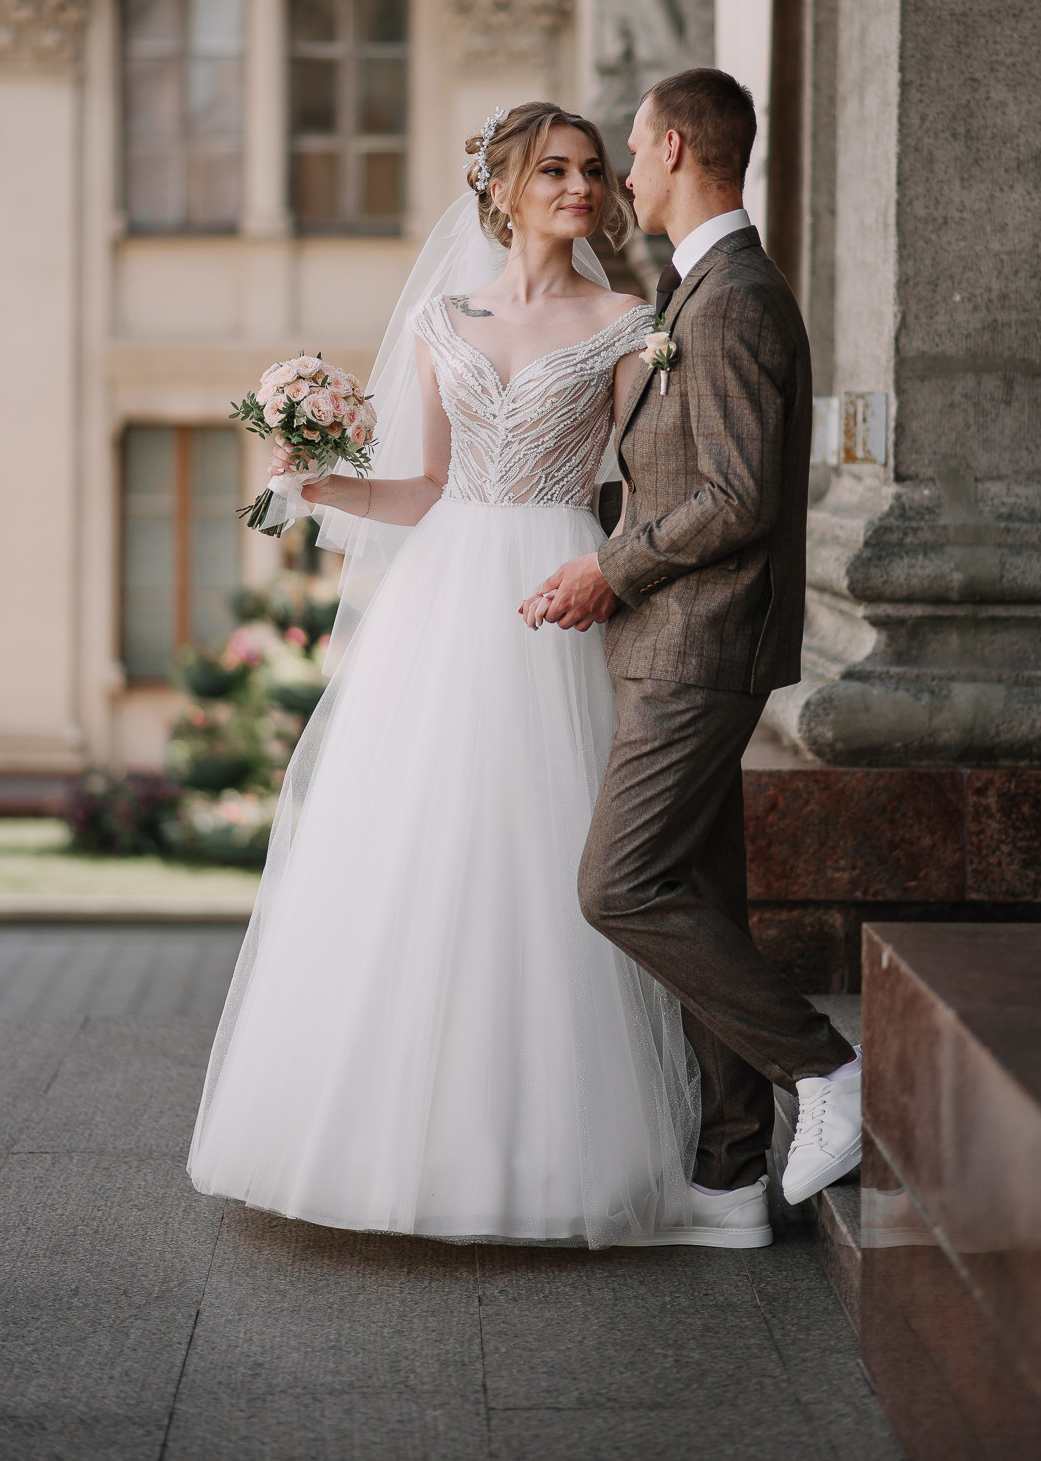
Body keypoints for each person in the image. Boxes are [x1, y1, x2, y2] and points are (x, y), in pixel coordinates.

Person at [186, 102, 717, 1249]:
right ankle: (396, 1148)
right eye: (556, 170)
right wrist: (323, 486)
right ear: (504, 188)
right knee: (415, 854)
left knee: (543, 852)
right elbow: (425, 487)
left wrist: (617, 576)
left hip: (559, 583)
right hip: (444, 596)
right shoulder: (441, 315)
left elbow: (652, 482)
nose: (581, 186)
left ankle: (555, 1154)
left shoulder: (629, 320)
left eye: (591, 169)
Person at [523, 68, 863, 1238]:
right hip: (674, 641)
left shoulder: (730, 300)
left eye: (627, 148)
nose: (619, 172)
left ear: (672, 146)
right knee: (699, 888)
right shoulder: (697, 287)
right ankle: (727, 1174)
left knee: (615, 885)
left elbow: (734, 495)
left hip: (694, 641)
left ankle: (823, 1069)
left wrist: (605, 568)